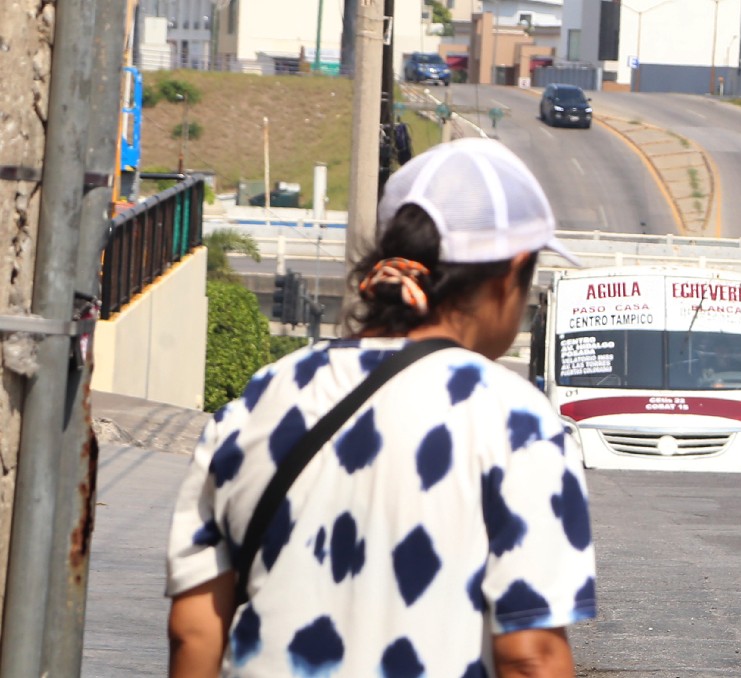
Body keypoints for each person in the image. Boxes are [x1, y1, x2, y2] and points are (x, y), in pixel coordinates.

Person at [166, 138, 596, 677]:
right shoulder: (517, 422)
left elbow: (195, 630)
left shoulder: (260, 399)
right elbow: (531, 657)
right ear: (510, 274)